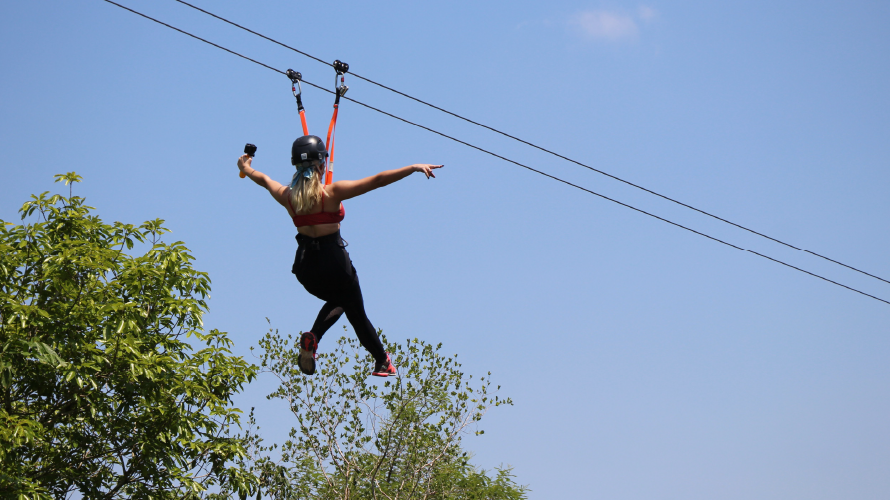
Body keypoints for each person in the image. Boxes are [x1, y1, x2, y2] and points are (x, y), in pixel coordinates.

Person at [237, 135, 442, 377]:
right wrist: (412, 168)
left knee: (342, 302)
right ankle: (379, 360)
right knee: (355, 310)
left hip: (305, 269)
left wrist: (245, 167)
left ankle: (324, 341)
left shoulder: (287, 196)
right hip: (335, 264)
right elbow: (377, 181)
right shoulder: (332, 193)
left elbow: (263, 179)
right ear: (322, 165)